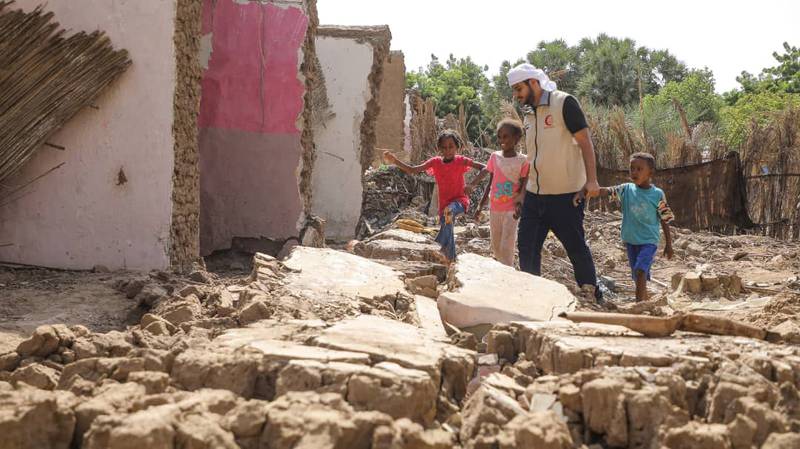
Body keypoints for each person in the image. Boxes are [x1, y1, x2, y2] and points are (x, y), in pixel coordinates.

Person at [507, 63, 603, 302]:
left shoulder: (564, 103)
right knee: (527, 248)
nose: (516, 95)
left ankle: (592, 296)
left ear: (533, 83)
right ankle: (532, 299)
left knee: (576, 249)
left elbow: (585, 144)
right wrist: (521, 193)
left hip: (566, 196)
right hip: (534, 196)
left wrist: (592, 181)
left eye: (519, 88)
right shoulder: (529, 115)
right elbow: (532, 158)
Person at [381, 130, 485, 263]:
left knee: (449, 213)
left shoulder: (461, 161)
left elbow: (485, 168)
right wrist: (395, 161)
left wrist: (472, 184)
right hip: (444, 205)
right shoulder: (435, 162)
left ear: (457, 147)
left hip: (460, 201)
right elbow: (413, 170)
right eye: (444, 147)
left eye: (451, 146)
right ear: (439, 148)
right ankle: (447, 258)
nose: (447, 150)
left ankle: (442, 251)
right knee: (448, 228)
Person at [593, 153, 675, 301]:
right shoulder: (626, 190)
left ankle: (639, 305)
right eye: (632, 169)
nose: (634, 172)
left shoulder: (657, 194)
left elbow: (665, 219)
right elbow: (608, 191)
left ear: (650, 172)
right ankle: (644, 299)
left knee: (640, 271)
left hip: (649, 242)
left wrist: (669, 244)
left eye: (639, 169)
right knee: (637, 275)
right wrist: (590, 189)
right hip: (631, 241)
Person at [472, 119, 530, 266]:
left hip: (511, 210)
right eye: (499, 136)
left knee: (507, 246)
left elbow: (524, 186)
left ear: (516, 138)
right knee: (496, 247)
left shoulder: (523, 161)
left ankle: (507, 276)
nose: (502, 140)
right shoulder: (495, 157)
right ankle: (501, 272)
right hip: (494, 208)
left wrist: (520, 204)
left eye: (506, 136)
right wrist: (480, 206)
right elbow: (490, 182)